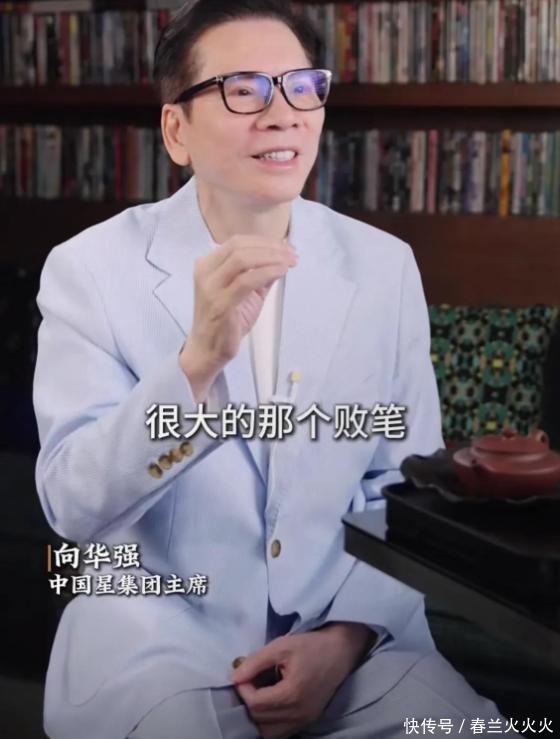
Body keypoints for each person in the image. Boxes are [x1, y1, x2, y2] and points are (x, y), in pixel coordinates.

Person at [33, 1, 502, 737]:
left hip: (351, 645)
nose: (282, 114)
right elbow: (71, 504)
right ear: (177, 131)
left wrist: (345, 639)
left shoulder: (383, 267)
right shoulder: (90, 269)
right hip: (158, 647)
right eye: (244, 90)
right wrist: (196, 365)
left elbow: (403, 488)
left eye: (302, 87)